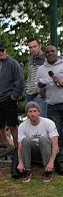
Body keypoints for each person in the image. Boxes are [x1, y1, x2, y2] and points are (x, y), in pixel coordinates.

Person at [0, 43, 25, 178]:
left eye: (2, 50)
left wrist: (13, 97)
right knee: (0, 125)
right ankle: (5, 150)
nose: (0, 53)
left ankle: (16, 151)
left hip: (8, 99)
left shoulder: (13, 63)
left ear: (6, 50)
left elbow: (20, 82)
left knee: (13, 125)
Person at [36, 45, 63, 174]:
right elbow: (39, 91)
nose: (51, 53)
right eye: (48, 52)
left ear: (57, 52)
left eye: (53, 51)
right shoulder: (41, 69)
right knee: (56, 136)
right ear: (45, 54)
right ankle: (59, 163)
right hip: (52, 106)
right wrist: (41, 85)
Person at [17, 102, 58, 183]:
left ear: (39, 112)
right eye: (30, 111)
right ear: (27, 113)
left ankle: (48, 171)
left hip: (47, 151)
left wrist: (51, 162)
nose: (33, 114)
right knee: (25, 140)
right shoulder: (22, 126)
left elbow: (55, 143)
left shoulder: (49, 123)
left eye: (35, 111)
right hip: (32, 153)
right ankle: (27, 171)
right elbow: (20, 146)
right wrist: (20, 162)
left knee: (43, 139)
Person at [25, 38, 48, 117]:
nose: (33, 49)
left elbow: (48, 78)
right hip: (29, 94)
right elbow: (30, 76)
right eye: (30, 47)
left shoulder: (46, 59)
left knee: (41, 121)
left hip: (40, 95)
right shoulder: (31, 59)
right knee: (30, 122)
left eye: (35, 46)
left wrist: (41, 93)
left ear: (40, 46)